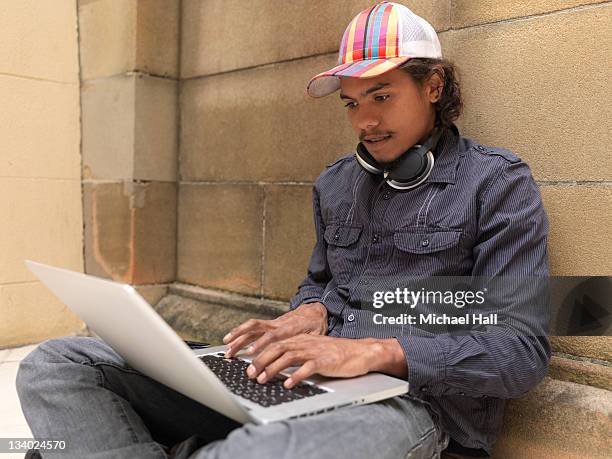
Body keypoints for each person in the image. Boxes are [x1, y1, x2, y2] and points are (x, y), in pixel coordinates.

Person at [16, 2, 550, 458]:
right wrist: (310, 311)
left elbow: (520, 351)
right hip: (304, 380)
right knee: (58, 364)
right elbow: (321, 282)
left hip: (412, 404)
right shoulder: (337, 184)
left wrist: (379, 350)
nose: (364, 121)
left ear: (433, 85)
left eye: (381, 96)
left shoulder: (497, 185)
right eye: (351, 103)